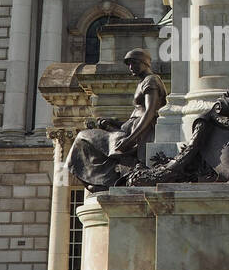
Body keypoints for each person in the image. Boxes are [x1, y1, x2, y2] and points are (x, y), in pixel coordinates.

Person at [66, 49, 167, 189]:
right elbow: (137, 114)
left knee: (83, 138)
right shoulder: (143, 82)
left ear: (145, 63)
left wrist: (130, 139)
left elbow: (150, 112)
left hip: (140, 133)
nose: (130, 67)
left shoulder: (151, 80)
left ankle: (102, 183)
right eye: (129, 64)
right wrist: (114, 122)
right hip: (130, 128)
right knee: (85, 139)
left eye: (134, 63)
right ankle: (101, 182)